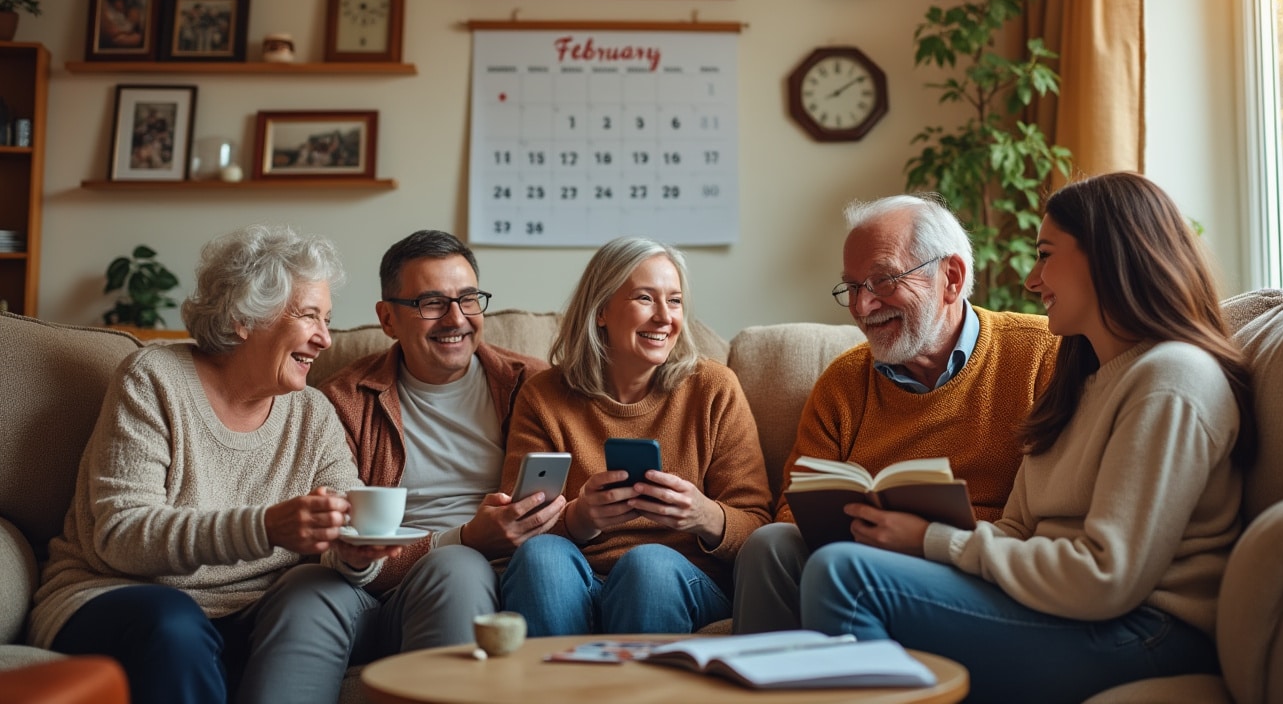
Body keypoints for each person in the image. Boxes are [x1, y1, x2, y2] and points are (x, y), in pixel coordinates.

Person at [799, 172, 1256, 703]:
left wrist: (929, 540)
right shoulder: (1081, 380)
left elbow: (1107, 577)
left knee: (847, 575)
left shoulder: (1172, 380)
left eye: (1045, 254)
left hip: (1144, 630)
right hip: (1062, 608)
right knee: (817, 560)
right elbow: (1018, 527)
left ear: (1107, 257)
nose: (1032, 279)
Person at [28, 225, 401, 704]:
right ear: (245, 317)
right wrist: (265, 527)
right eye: (310, 316)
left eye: (327, 319)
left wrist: (354, 553)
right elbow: (120, 535)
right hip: (114, 596)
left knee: (313, 600)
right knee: (176, 622)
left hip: (251, 614)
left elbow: (340, 532)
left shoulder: (313, 413)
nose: (326, 339)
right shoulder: (154, 380)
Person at [733, 192, 1058, 633]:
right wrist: (867, 532)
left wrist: (924, 537)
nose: (862, 307)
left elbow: (1057, 516)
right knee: (769, 544)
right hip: (858, 560)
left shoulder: (1042, 355)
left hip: (982, 567)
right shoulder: (844, 383)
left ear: (952, 278)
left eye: (883, 280)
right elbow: (792, 508)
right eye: (851, 287)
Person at [498, 236, 772, 635]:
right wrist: (579, 518)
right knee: (542, 556)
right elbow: (515, 528)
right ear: (601, 310)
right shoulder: (544, 396)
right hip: (578, 581)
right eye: (645, 298)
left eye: (675, 301)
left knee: (648, 566)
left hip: (680, 580)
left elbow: (759, 527)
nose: (665, 317)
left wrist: (702, 514)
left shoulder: (713, 389)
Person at [320, 229, 555, 649]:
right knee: (455, 566)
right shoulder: (344, 400)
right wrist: (465, 539)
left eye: (467, 298)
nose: (456, 319)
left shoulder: (532, 385)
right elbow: (340, 541)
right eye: (432, 303)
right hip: (393, 579)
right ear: (387, 319)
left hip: (513, 572)